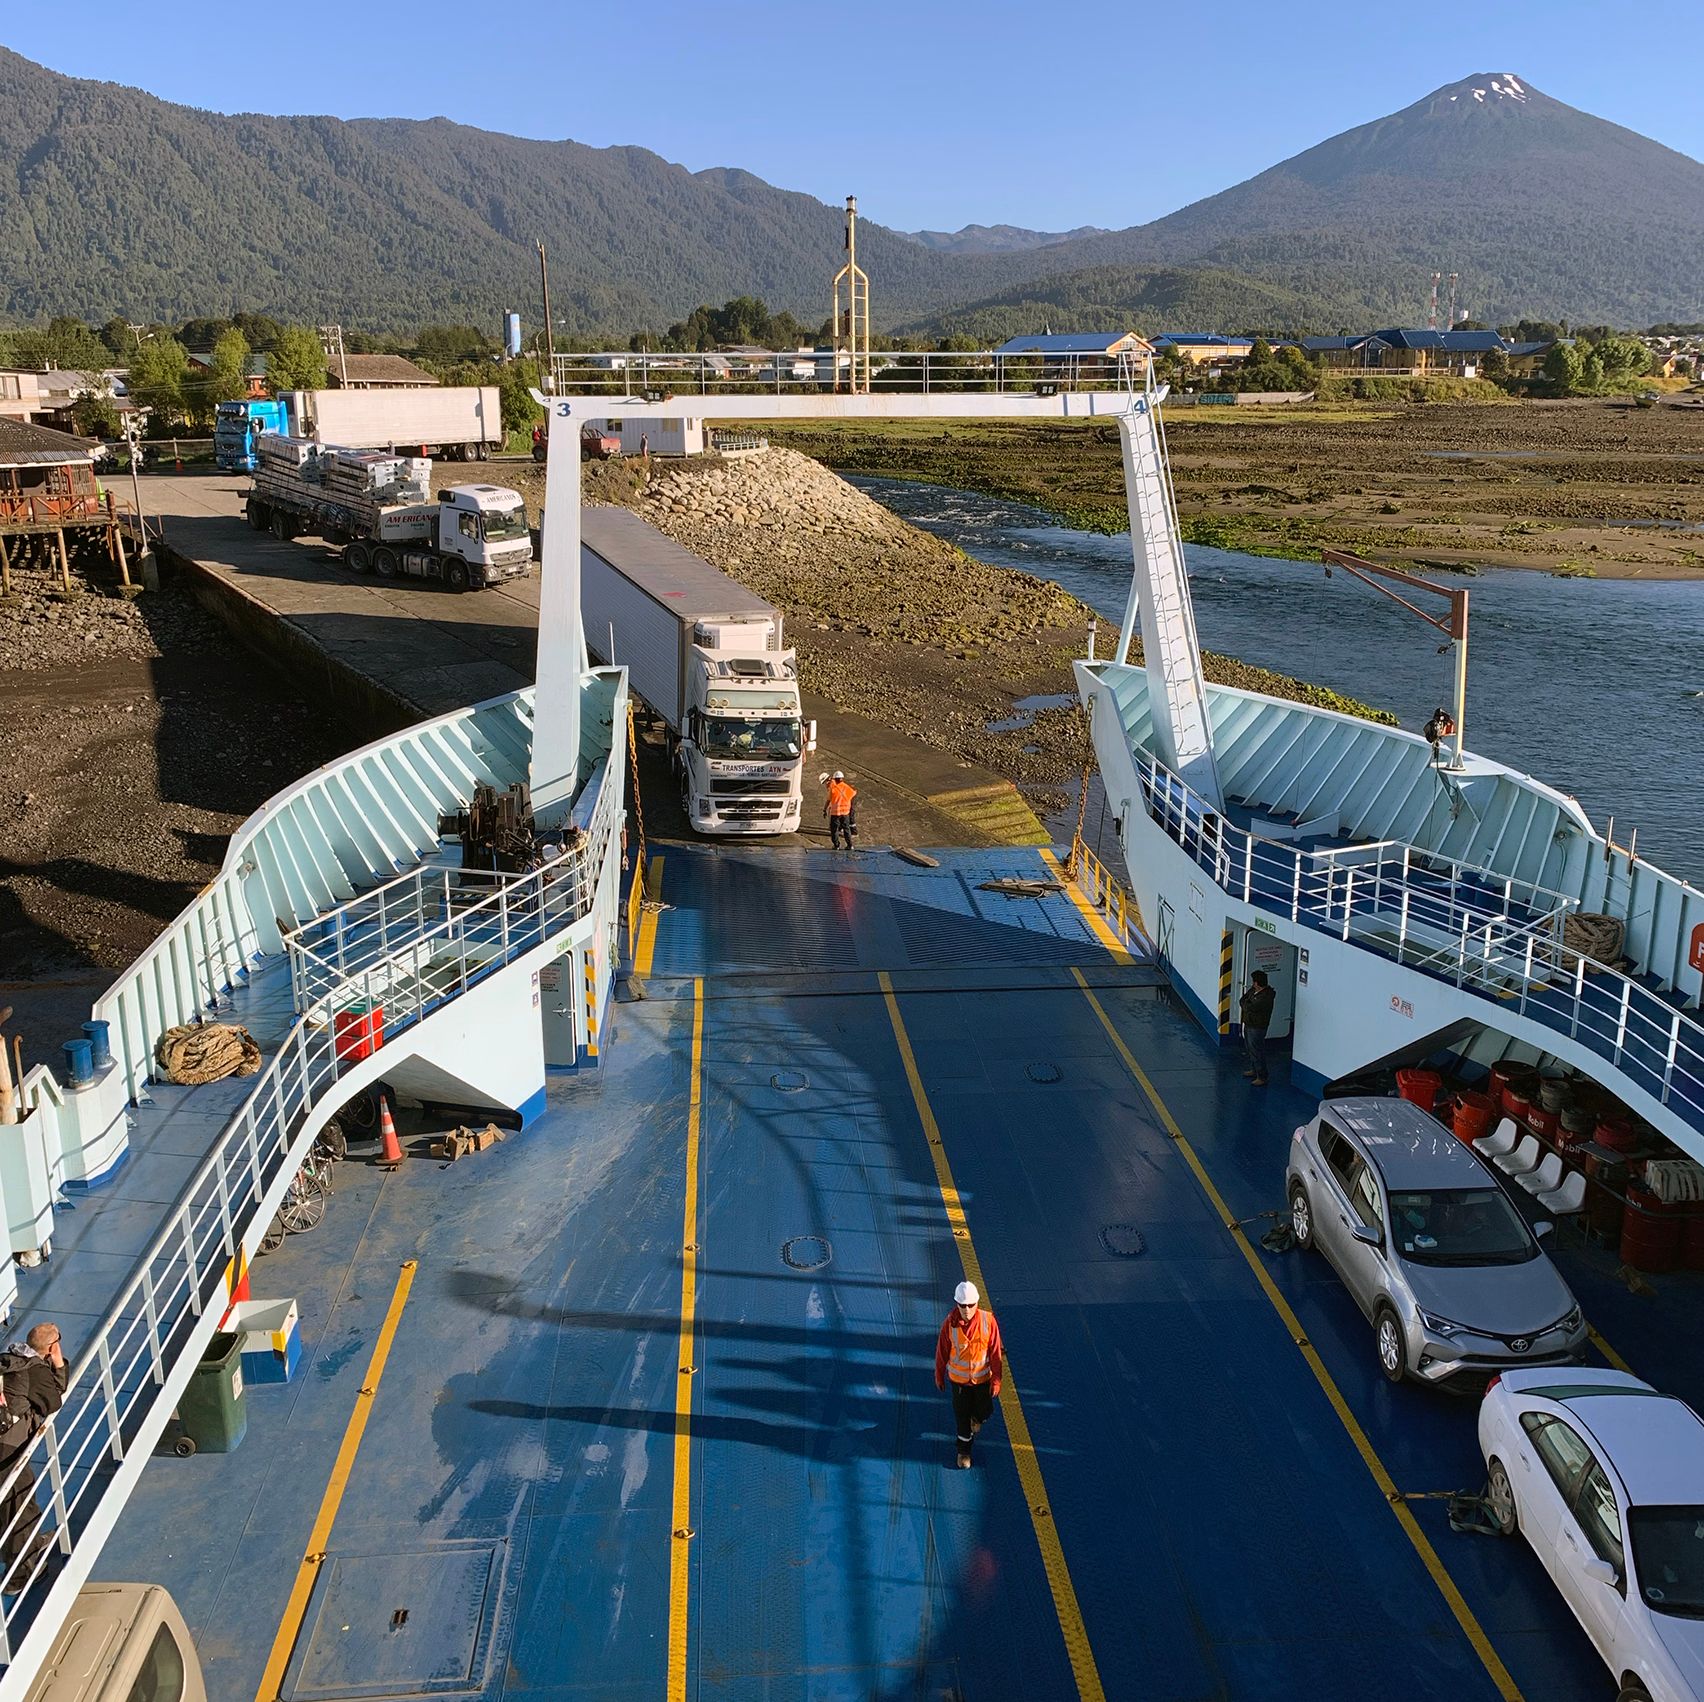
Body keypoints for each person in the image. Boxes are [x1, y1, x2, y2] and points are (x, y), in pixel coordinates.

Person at [0, 1323, 65, 1586]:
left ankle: (32, 1544)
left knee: (13, 1506)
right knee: (20, 1507)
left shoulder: (8, 1359)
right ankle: (20, 1574)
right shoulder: (35, 1370)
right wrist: (59, 1365)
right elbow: (53, 1401)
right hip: (7, 1450)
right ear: (52, 1347)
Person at [934, 1280, 1003, 1470]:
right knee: (961, 1417)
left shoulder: (988, 1321)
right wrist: (939, 1374)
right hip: (959, 1383)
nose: (966, 1309)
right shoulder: (949, 1325)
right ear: (957, 1304)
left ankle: (977, 1418)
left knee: (986, 1410)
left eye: (970, 1305)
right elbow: (942, 1351)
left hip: (982, 1380)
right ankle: (963, 1451)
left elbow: (996, 1352)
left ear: (977, 1304)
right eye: (962, 1305)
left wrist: (996, 1379)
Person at [1239, 969, 1276, 1087]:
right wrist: (1246, 1005)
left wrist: (1246, 1005)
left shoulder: (1266, 997)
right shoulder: (1253, 991)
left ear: (1257, 983)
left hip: (1257, 1027)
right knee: (1250, 1048)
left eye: (1254, 981)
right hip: (1249, 1024)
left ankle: (1262, 1076)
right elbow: (1243, 1000)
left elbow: (1251, 1007)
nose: (1252, 984)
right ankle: (1254, 1070)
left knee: (1257, 1050)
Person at [823, 771, 857, 851]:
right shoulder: (846, 787)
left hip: (835, 813)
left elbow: (828, 800)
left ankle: (836, 845)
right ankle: (850, 845)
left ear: (834, 779)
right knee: (846, 829)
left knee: (834, 830)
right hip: (845, 813)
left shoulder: (833, 789)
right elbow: (853, 794)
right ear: (842, 779)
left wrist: (824, 810)